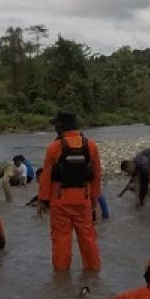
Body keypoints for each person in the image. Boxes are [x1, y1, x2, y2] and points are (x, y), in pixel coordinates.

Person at [37, 111, 102, 272]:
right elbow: (96, 174)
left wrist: (42, 200)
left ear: (60, 127)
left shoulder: (54, 147)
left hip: (60, 200)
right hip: (83, 198)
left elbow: (46, 177)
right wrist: (95, 198)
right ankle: (93, 271)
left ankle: (61, 276)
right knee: (88, 237)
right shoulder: (91, 145)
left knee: (61, 239)